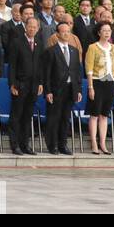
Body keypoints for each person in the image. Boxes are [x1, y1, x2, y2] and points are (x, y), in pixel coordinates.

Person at [42, 22, 82, 155]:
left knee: (65, 118)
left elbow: (77, 72)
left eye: (68, 31)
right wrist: (48, 91)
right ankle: (52, 145)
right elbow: (46, 73)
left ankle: (62, 144)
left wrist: (78, 90)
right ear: (57, 34)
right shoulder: (51, 51)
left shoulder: (74, 50)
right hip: (56, 89)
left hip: (70, 88)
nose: (66, 34)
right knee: (54, 118)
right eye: (63, 31)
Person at [83, 21, 114, 155]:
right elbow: (89, 69)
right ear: (99, 32)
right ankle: (94, 142)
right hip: (97, 82)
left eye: (109, 31)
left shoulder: (113, 48)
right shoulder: (93, 47)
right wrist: (90, 87)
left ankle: (103, 143)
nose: (107, 33)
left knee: (104, 115)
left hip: (110, 82)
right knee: (94, 115)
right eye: (104, 30)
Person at [7, 17, 42, 155]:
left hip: (33, 86)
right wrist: (12, 84)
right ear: (25, 27)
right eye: (30, 26)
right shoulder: (17, 42)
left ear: (38, 29)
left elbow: (40, 66)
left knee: (28, 116)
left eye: (35, 27)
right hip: (20, 84)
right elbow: (12, 66)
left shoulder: (39, 42)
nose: (32, 29)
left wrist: (41, 83)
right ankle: (14, 145)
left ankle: (25, 144)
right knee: (16, 115)